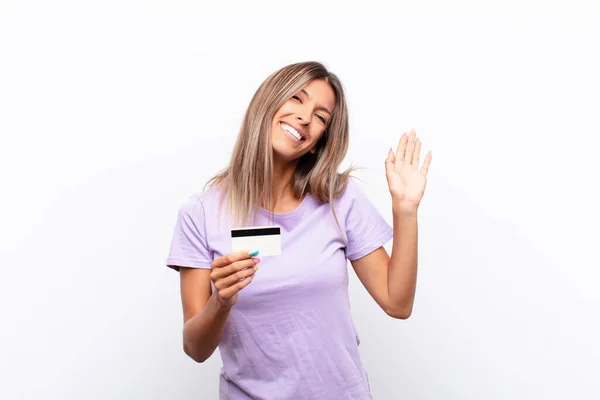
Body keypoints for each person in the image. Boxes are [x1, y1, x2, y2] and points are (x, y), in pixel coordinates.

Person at [165, 61, 432, 399]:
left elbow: (398, 303)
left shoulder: (339, 199)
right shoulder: (201, 213)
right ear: (268, 102)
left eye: (321, 117)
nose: (305, 118)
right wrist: (220, 301)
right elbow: (195, 347)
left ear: (319, 141)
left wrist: (405, 210)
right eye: (296, 98)